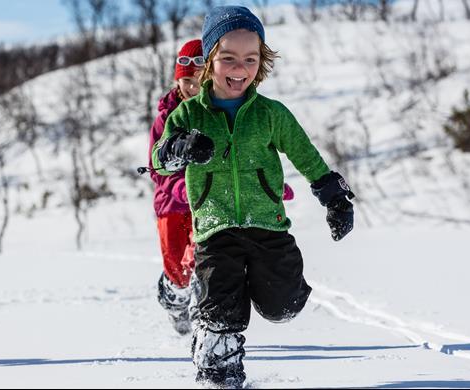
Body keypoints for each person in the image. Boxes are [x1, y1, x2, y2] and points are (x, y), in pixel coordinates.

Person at [151, 6, 354, 387]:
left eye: (250, 58)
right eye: (228, 58)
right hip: (214, 228)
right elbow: (158, 161)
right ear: (209, 62)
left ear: (261, 63)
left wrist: (334, 196)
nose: (239, 68)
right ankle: (217, 369)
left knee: (284, 306)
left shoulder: (271, 115)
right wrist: (177, 147)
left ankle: (247, 295)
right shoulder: (190, 115)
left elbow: (305, 154)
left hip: (268, 225)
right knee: (220, 310)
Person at [148, 39, 205, 336]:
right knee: (176, 267)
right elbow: (157, 168)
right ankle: (173, 300)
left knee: (199, 258)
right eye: (186, 81)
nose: (191, 89)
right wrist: (181, 186)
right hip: (171, 204)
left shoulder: (212, 113)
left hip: (204, 201)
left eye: (197, 82)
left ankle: (202, 310)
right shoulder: (164, 119)